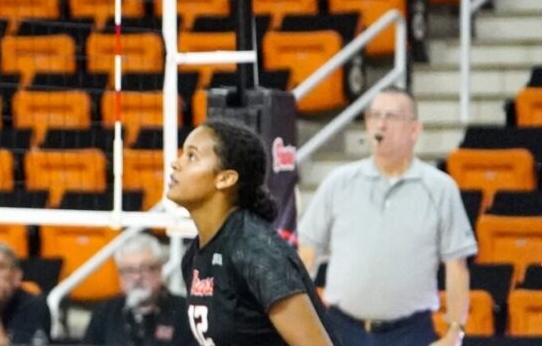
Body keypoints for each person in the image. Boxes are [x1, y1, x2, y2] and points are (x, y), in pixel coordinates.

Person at [296, 90, 474, 346]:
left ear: (414, 129)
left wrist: (455, 332)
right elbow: (307, 254)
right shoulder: (339, 182)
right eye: (374, 116)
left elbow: (457, 265)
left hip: (411, 333)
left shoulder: (440, 188)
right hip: (341, 328)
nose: (381, 124)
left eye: (391, 116)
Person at [165, 121, 332, 346]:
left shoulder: (255, 250)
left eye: (192, 156)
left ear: (225, 178)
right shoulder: (194, 257)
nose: (176, 164)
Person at [83, 233, 196, 346]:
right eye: (129, 270)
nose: (137, 277)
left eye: (144, 268)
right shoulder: (104, 313)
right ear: (120, 275)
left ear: (159, 270)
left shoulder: (186, 312)